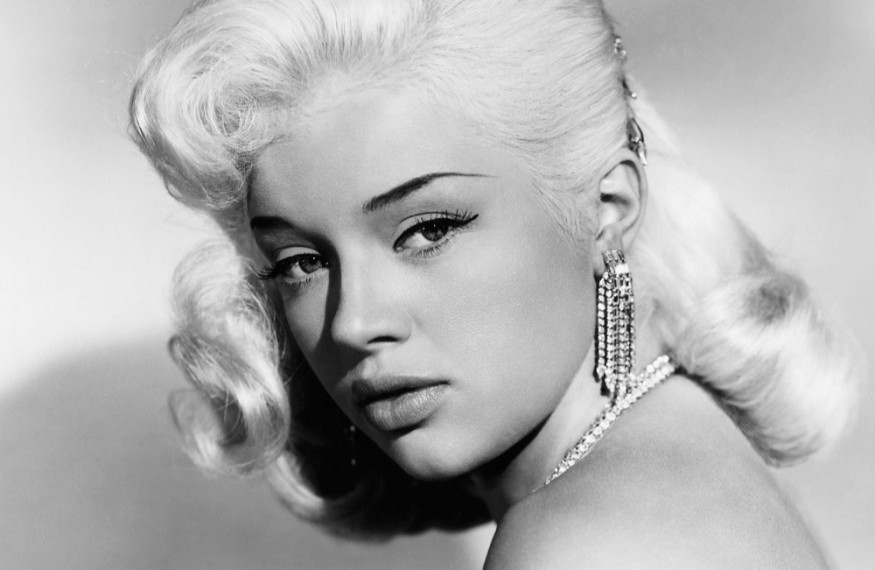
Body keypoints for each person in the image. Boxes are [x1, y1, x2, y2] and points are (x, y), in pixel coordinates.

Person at [129, 0, 860, 566]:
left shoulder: (585, 543)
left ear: (607, 209)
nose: (353, 322)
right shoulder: (676, 462)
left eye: (428, 230)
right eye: (301, 263)